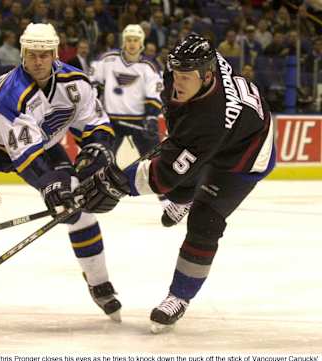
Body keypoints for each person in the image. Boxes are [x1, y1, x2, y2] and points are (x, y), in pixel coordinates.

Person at [0, 23, 122, 324]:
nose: (38, 61)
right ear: (22, 53)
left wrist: (96, 151)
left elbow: (95, 125)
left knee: (80, 205)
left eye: (44, 54)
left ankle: (99, 282)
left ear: (55, 54)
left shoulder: (76, 83)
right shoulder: (11, 93)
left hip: (41, 146)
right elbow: (26, 157)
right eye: (32, 54)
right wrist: (50, 187)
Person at [77, 34, 276, 332]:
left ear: (207, 75)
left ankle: (179, 296)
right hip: (214, 134)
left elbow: (163, 174)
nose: (178, 82)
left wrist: (116, 183)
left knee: (205, 220)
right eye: (176, 73)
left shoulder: (211, 119)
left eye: (186, 77)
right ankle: (183, 198)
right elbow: (179, 144)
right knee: (185, 172)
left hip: (244, 156)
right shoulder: (192, 66)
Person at [90, 24, 163, 161]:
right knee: (100, 160)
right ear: (124, 41)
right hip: (111, 120)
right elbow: (91, 84)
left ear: (141, 43)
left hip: (139, 121)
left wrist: (151, 117)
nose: (132, 44)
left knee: (154, 159)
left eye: (135, 40)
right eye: (129, 40)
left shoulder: (149, 66)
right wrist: (95, 108)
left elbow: (154, 94)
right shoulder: (107, 59)